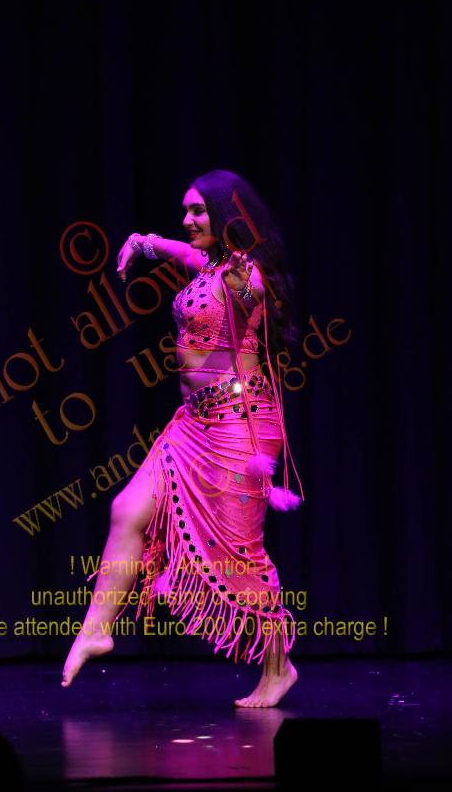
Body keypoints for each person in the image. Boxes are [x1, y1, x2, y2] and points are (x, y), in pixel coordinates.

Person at [61, 169, 304, 707]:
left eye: (198, 211)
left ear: (226, 215)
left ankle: (278, 668)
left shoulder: (244, 273)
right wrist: (143, 242)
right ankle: (96, 631)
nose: (188, 220)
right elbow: (182, 252)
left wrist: (242, 273)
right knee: (127, 510)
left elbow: (253, 292)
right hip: (192, 422)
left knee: (239, 558)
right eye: (185, 211)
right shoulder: (208, 264)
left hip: (239, 425)